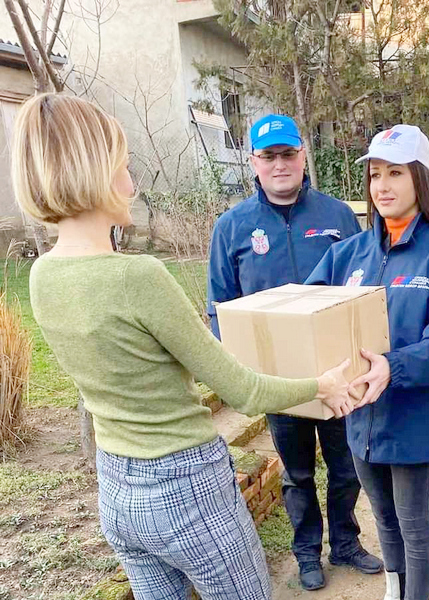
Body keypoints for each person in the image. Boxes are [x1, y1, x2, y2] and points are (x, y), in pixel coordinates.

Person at [12, 93, 357, 600]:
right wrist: (323, 384)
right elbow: (241, 390)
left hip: (117, 489)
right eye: (124, 166)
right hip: (184, 489)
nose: (132, 183)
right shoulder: (138, 277)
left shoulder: (42, 275)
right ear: (98, 174)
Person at [207, 114, 381, 591]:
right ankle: (306, 552)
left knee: (348, 467)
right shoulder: (232, 227)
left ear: (303, 156)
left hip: (339, 371)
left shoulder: (337, 218)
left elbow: (362, 288)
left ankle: (345, 542)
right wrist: (237, 367)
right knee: (297, 473)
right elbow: (219, 308)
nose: (279, 164)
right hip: (278, 381)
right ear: (254, 164)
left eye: (288, 154)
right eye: (269, 156)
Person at [306, 124, 429, 600]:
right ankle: (392, 590)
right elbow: (308, 312)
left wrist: (392, 366)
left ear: (419, 179)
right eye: (375, 174)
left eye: (396, 173)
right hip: (361, 420)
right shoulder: (347, 254)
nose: (382, 185)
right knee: (383, 520)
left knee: (416, 528)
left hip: (415, 419)